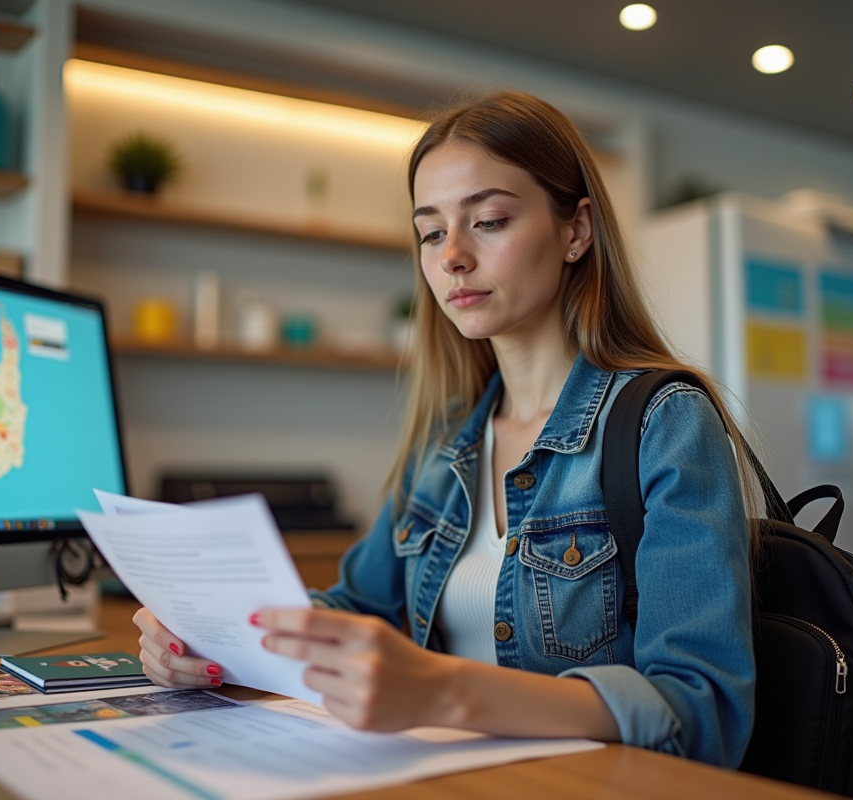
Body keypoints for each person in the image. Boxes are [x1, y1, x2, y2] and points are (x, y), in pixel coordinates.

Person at [134, 90, 759, 768]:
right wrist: (210, 636)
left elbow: (700, 710)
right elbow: (357, 608)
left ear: (576, 231)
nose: (453, 256)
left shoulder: (663, 422)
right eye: (431, 232)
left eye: (488, 220)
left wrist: (445, 691)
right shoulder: (445, 445)